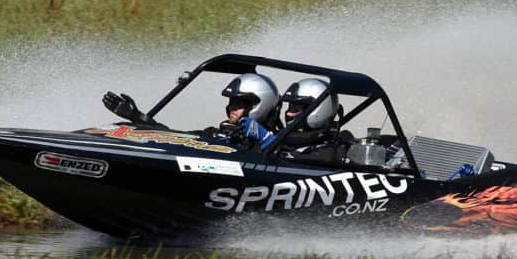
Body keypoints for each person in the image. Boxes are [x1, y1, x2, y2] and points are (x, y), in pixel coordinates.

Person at [102, 72, 280, 149]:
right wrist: (136, 116)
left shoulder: (273, 142)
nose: (232, 107)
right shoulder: (216, 132)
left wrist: (264, 139)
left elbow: (288, 162)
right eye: (232, 102)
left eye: (240, 104)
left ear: (258, 105)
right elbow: (176, 138)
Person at [276, 77, 353, 161]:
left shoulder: (325, 154)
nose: (288, 113)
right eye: (290, 107)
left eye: (296, 109)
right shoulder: (280, 143)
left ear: (320, 110)